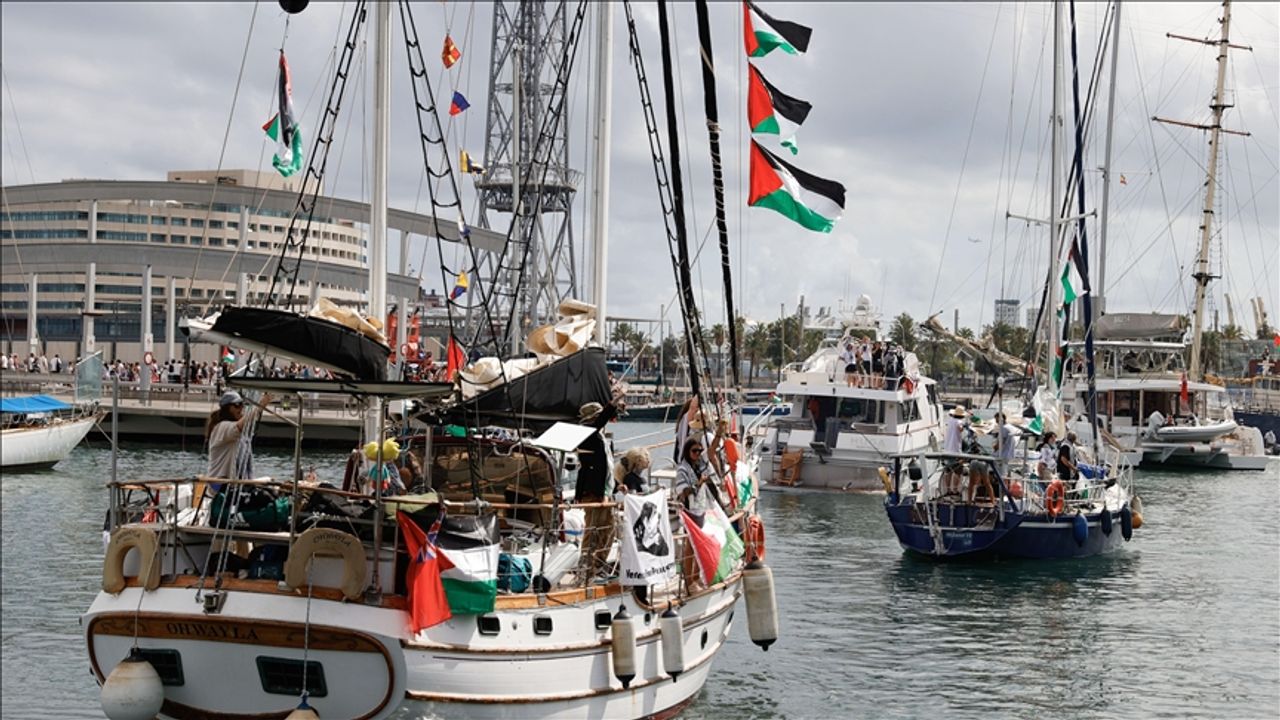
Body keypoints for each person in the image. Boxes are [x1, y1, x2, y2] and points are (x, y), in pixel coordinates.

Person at [204, 390, 272, 481]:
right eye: (237, 405)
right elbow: (240, 425)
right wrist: (260, 406)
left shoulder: (239, 433)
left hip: (239, 483)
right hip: (220, 484)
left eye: (242, 404)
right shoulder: (221, 427)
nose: (241, 408)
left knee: (270, 480)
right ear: (227, 408)